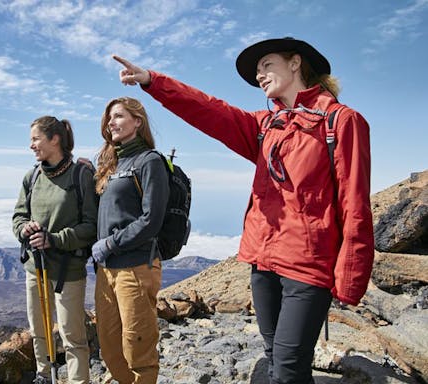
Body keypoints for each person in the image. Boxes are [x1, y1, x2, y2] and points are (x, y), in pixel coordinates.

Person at [113, 37, 374, 384]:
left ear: (295, 63)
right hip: (262, 261)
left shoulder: (341, 122)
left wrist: (350, 280)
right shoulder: (266, 126)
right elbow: (209, 109)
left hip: (307, 268)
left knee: (288, 367)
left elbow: (355, 205)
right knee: (273, 358)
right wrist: (153, 81)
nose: (260, 77)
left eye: (267, 66)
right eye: (257, 73)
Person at [12, 116, 98, 384]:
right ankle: (43, 375)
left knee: (72, 335)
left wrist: (55, 240)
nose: (31, 146)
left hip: (68, 270)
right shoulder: (33, 176)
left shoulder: (80, 175)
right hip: (35, 269)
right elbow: (18, 217)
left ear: (55, 139)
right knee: (39, 330)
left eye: (35, 139)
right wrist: (25, 230)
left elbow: (91, 226)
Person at [91, 97, 169, 384]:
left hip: (136, 267)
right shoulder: (111, 163)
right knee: (110, 349)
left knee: (138, 349)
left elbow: (151, 220)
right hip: (106, 270)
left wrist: (110, 244)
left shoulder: (150, 161)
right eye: (109, 118)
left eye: (119, 116)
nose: (111, 122)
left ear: (138, 121)